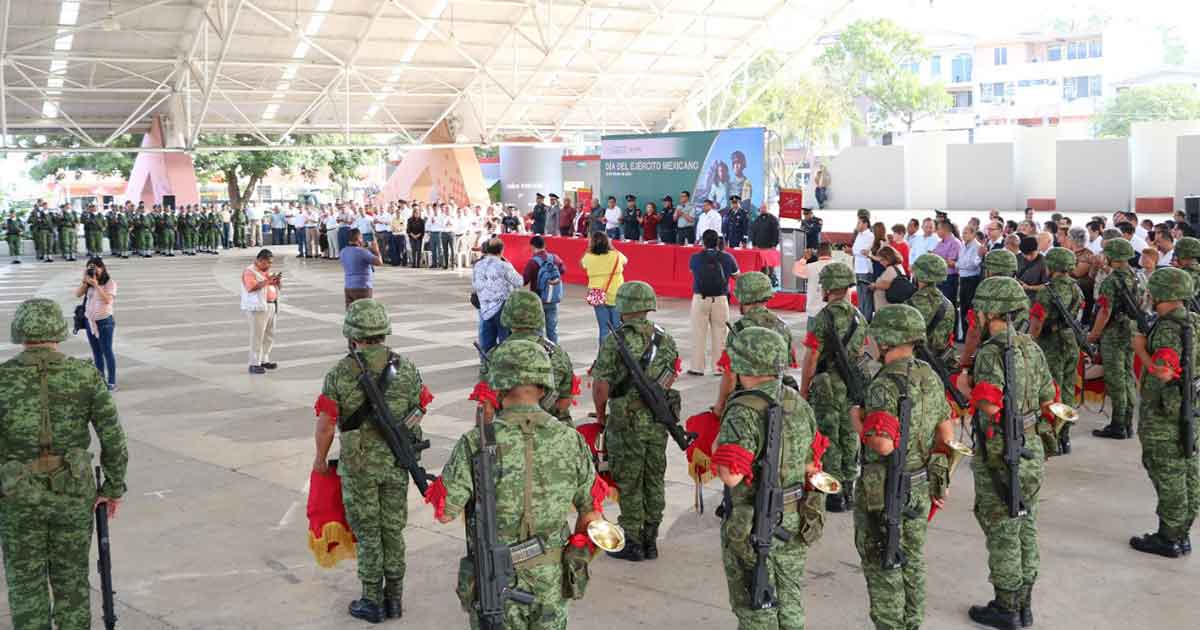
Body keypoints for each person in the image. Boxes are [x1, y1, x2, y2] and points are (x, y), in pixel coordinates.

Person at [430, 339, 602, 629]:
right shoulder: (571, 440)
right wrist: (577, 551)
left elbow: (446, 511)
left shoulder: (476, 441)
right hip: (551, 581)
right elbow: (592, 513)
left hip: (497, 580)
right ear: (544, 386)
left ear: (498, 385)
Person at [0, 298, 128, 630]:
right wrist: (112, 487)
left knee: (25, 585)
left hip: (17, 498)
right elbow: (113, 437)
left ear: (20, 332)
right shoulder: (85, 375)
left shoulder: (3, 378)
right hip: (72, 495)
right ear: (58, 329)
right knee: (72, 582)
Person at [312, 299, 430, 622]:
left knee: (368, 533)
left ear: (352, 334)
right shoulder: (406, 368)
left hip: (359, 465)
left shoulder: (340, 373)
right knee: (392, 529)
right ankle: (394, 599)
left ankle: (372, 600)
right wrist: (399, 433)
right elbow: (420, 408)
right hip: (396, 463)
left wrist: (320, 460)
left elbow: (326, 424)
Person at [955, 276, 1055, 630]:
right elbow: (1048, 398)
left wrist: (964, 386)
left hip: (1000, 448)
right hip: (1031, 445)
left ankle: (1006, 606)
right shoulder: (1031, 348)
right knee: (1025, 522)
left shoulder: (991, 352)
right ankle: (1024, 603)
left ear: (989, 311)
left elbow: (988, 404)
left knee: (1002, 526)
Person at [714, 326, 826, 629]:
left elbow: (731, 476)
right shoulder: (797, 402)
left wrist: (717, 446)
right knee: (789, 598)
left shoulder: (743, 410)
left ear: (742, 363)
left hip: (755, 521)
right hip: (793, 515)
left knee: (756, 608)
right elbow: (811, 464)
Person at [855, 304, 955, 630]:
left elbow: (883, 444)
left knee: (883, 564)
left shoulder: (884, 385)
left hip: (887, 490)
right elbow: (946, 433)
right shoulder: (929, 375)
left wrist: (857, 423)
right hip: (920, 483)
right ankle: (912, 623)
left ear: (886, 340)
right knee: (912, 559)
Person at [592, 281, 680, 561]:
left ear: (624, 306)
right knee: (654, 478)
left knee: (629, 481)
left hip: (626, 423)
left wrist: (601, 414)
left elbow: (601, 384)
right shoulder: (665, 338)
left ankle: (632, 541)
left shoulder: (615, 339)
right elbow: (670, 375)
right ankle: (651, 539)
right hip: (657, 421)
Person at [1128, 267, 1199, 558]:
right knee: (1188, 472)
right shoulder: (1193, 320)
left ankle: (1169, 537)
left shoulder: (1169, 329)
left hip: (1165, 414)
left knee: (1167, 473)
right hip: (1190, 407)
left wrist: (1140, 349)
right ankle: (1181, 533)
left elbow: (1164, 372)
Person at [802, 261, 868, 512]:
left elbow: (811, 357)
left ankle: (834, 492)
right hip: (852, 385)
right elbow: (860, 353)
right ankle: (849, 488)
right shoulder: (859, 317)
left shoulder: (822, 318)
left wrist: (804, 389)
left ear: (828, 288)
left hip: (827, 386)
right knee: (849, 434)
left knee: (828, 436)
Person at [474, 290, 577, 426]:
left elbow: (486, 407)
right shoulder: (558, 354)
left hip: (509, 430)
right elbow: (565, 401)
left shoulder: (495, 354)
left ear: (506, 316)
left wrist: (482, 433)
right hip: (553, 430)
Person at [713, 271, 797, 416]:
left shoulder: (739, 330)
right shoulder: (782, 326)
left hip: (746, 403)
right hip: (778, 400)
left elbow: (730, 374)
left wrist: (720, 406)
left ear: (743, 296)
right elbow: (786, 366)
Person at [1088, 238, 1140, 440]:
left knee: (1115, 378)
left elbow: (1105, 310)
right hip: (1130, 330)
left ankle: (1118, 425)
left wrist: (1095, 333)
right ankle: (1127, 423)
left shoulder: (1111, 281)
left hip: (1114, 332)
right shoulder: (1134, 276)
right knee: (1127, 376)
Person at [687, 229, 740, 376]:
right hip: (720, 299)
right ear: (718, 242)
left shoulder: (695, 258)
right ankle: (719, 368)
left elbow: (693, 272)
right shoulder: (728, 257)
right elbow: (737, 276)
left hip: (700, 298)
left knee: (698, 333)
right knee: (721, 334)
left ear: (703, 242)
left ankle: (697, 367)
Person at [73, 257, 119, 390]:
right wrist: (85, 282)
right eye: (90, 268)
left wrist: (97, 285)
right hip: (89, 321)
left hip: (104, 322)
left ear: (102, 268)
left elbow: (107, 300)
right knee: (97, 353)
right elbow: (77, 294)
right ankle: (100, 380)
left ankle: (112, 382)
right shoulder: (88, 283)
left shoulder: (110, 283)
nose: (94, 271)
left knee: (107, 351)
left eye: (96, 268)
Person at [907, 254, 958, 370]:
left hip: (917, 364)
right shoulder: (947, 304)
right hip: (941, 362)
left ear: (919, 274)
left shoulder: (912, 304)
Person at [473, 238, 523, 352]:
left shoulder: (478, 265)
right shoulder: (504, 265)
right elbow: (519, 282)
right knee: (505, 341)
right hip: (502, 307)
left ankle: (487, 361)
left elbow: (475, 285)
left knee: (487, 342)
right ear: (501, 250)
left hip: (485, 308)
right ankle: (504, 361)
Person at [580, 231, 627, 347]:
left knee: (603, 328)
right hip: (615, 294)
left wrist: (589, 250)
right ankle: (620, 352)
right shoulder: (616, 255)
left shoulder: (588, 257)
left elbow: (582, 264)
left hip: (597, 294)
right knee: (617, 327)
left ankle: (603, 353)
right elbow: (625, 261)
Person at [242, 249, 282, 375]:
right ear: (259, 261)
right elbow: (251, 287)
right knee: (257, 336)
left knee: (269, 335)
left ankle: (264, 359)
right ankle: (254, 363)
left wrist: (277, 282)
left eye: (270, 263)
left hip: (271, 305)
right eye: (266, 263)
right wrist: (268, 281)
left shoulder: (266, 272)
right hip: (257, 308)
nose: (269, 265)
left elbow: (274, 287)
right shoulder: (249, 272)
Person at [522, 235, 566, 343]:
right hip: (553, 298)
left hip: (537, 299)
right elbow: (563, 270)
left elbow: (524, 280)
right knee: (552, 329)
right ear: (544, 245)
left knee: (538, 330)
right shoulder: (555, 258)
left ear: (532, 246)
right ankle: (554, 350)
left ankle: (541, 350)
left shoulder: (533, 262)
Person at [341, 229, 383, 309]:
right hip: (363, 287)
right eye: (361, 238)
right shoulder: (363, 252)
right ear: (359, 238)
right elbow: (379, 262)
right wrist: (377, 250)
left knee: (351, 313)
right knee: (365, 312)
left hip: (348, 287)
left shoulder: (343, 251)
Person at [958, 224, 986, 341]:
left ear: (973, 234)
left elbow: (973, 265)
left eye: (966, 233)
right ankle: (965, 335)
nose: (963, 235)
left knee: (971, 309)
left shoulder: (977, 247)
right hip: (963, 279)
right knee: (963, 308)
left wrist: (958, 265)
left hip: (972, 280)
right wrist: (960, 265)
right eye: (963, 232)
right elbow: (961, 262)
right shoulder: (963, 245)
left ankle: (972, 336)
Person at [933, 220, 962, 312]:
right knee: (940, 306)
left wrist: (936, 258)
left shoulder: (955, 243)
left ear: (944, 229)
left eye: (938, 229)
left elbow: (950, 262)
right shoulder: (939, 243)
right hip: (939, 278)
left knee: (949, 307)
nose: (936, 231)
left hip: (950, 278)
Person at [852, 210, 877, 321]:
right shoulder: (859, 235)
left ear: (865, 224)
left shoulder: (870, 235)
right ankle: (861, 318)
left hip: (865, 269)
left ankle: (867, 319)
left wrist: (854, 251)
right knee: (860, 295)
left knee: (866, 296)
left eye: (859, 223)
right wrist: (853, 251)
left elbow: (863, 251)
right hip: (858, 267)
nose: (857, 225)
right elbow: (855, 249)